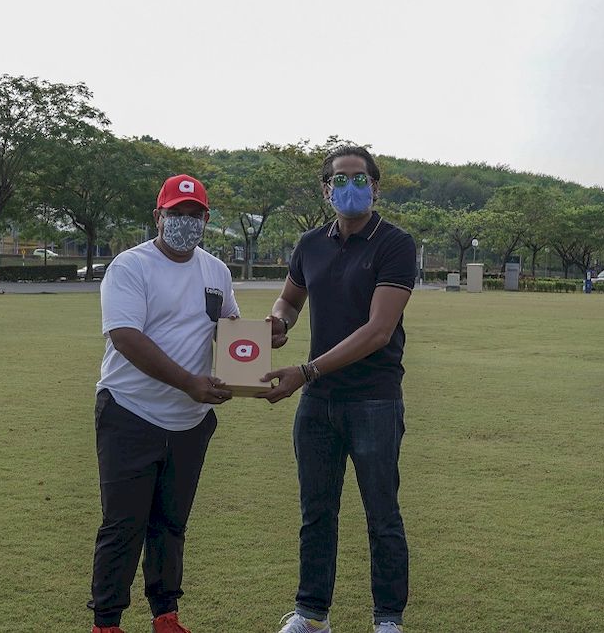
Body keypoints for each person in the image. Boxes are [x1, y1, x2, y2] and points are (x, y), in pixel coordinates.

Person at [259, 146, 416, 633]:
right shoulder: (311, 243)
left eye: (359, 177)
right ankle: (311, 615)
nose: (350, 186)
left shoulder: (395, 244)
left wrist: (305, 372)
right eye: (339, 179)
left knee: (382, 514)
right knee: (316, 514)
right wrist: (278, 323)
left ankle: (387, 620)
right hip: (319, 404)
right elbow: (289, 298)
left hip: (373, 399)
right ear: (326, 189)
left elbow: (378, 331)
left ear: (375, 185)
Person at [88, 175, 239, 633]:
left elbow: (227, 328)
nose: (185, 223)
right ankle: (107, 622)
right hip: (131, 411)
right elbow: (126, 336)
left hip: (190, 422)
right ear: (159, 216)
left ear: (206, 220)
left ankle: (166, 615)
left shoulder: (216, 270)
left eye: (195, 216)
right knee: (123, 524)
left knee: (171, 523)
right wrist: (188, 382)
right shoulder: (131, 266)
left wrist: (257, 343)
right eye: (176, 214)